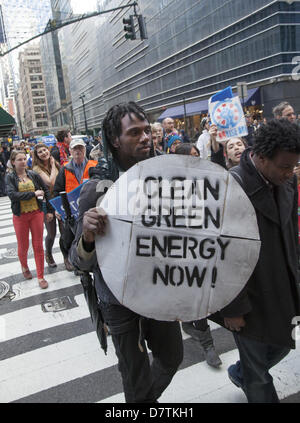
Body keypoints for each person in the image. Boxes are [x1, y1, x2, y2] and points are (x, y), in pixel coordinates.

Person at [69, 102, 183, 403]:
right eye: (135, 132)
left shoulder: (169, 178)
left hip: (160, 288)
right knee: (134, 375)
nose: (146, 137)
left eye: (147, 130)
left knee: (171, 357)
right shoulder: (96, 189)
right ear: (115, 140)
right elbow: (77, 261)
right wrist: (89, 235)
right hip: (117, 299)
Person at [217, 118, 300, 403]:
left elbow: (290, 235)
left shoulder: (288, 180)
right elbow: (221, 253)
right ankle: (250, 376)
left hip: (280, 286)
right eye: (285, 167)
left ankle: (243, 373)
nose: (290, 173)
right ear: (261, 158)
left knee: (281, 345)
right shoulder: (231, 187)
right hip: (246, 297)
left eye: (294, 166)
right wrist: (233, 307)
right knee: (260, 376)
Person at [174, 142, 222, 368]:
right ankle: (208, 344)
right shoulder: (172, 186)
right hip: (185, 251)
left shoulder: (208, 179)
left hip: (207, 247)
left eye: (197, 154)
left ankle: (191, 325)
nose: (197, 158)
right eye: (191, 156)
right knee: (197, 295)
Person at [6, 150, 54, 289]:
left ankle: (40, 276)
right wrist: (32, 193)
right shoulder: (10, 177)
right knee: (23, 246)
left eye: (24, 158)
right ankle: (24, 266)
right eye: (19, 159)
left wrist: (49, 210)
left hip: (36, 213)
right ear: (13, 162)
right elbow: (12, 195)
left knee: (38, 245)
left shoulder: (33, 174)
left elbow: (45, 191)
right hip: (20, 216)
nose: (23, 161)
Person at [53, 138, 97, 271]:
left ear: (85, 150)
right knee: (68, 238)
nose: (78, 151)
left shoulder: (94, 165)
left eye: (80, 148)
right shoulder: (64, 169)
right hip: (71, 212)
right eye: (75, 149)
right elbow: (57, 190)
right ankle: (70, 258)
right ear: (70, 151)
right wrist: (57, 208)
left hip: (90, 209)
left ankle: (85, 262)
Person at [32, 143, 62, 268]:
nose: (43, 153)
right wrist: (53, 165)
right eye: (40, 152)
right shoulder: (36, 169)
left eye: (45, 150)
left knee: (65, 232)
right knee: (51, 233)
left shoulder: (56, 164)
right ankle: (48, 254)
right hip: (47, 204)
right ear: (36, 155)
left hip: (60, 201)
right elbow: (51, 182)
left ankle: (66, 257)